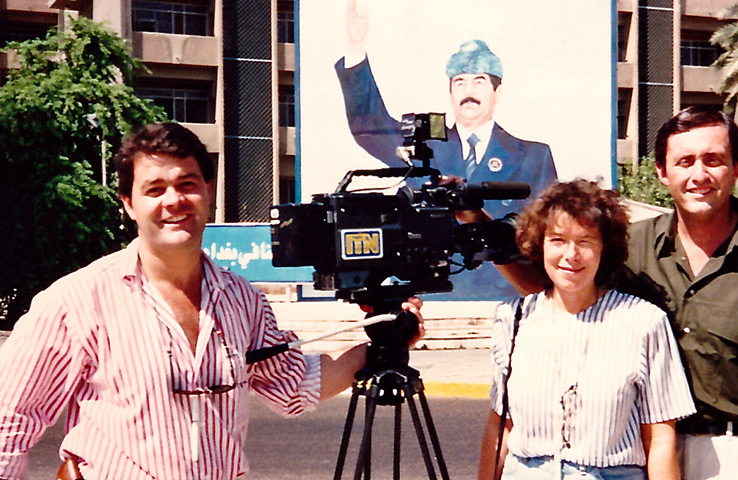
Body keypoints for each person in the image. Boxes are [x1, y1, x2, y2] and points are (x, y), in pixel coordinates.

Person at [0, 122, 425, 480]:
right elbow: (9, 424)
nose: (173, 201)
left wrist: (382, 343)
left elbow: (293, 387)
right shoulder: (76, 302)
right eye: (155, 189)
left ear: (207, 190)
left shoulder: (241, 299)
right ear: (129, 204)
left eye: (187, 184)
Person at [493, 106, 738, 480]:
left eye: (713, 160)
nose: (699, 175)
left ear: (736, 167)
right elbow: (558, 286)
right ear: (663, 172)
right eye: (685, 161)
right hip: (648, 453)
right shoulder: (632, 247)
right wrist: (479, 230)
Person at [334, 0, 557, 299]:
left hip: (509, 299)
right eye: (460, 82)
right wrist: (355, 47)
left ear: (497, 91)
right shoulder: (421, 149)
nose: (469, 92)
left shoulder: (533, 156)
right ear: (450, 92)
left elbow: (544, 234)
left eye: (479, 82)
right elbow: (368, 126)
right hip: (434, 299)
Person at [477, 179, 696, 480]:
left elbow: (659, 439)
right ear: (540, 245)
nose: (571, 255)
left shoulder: (644, 322)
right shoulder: (512, 319)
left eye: (585, 241)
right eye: (557, 240)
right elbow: (500, 425)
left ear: (604, 248)